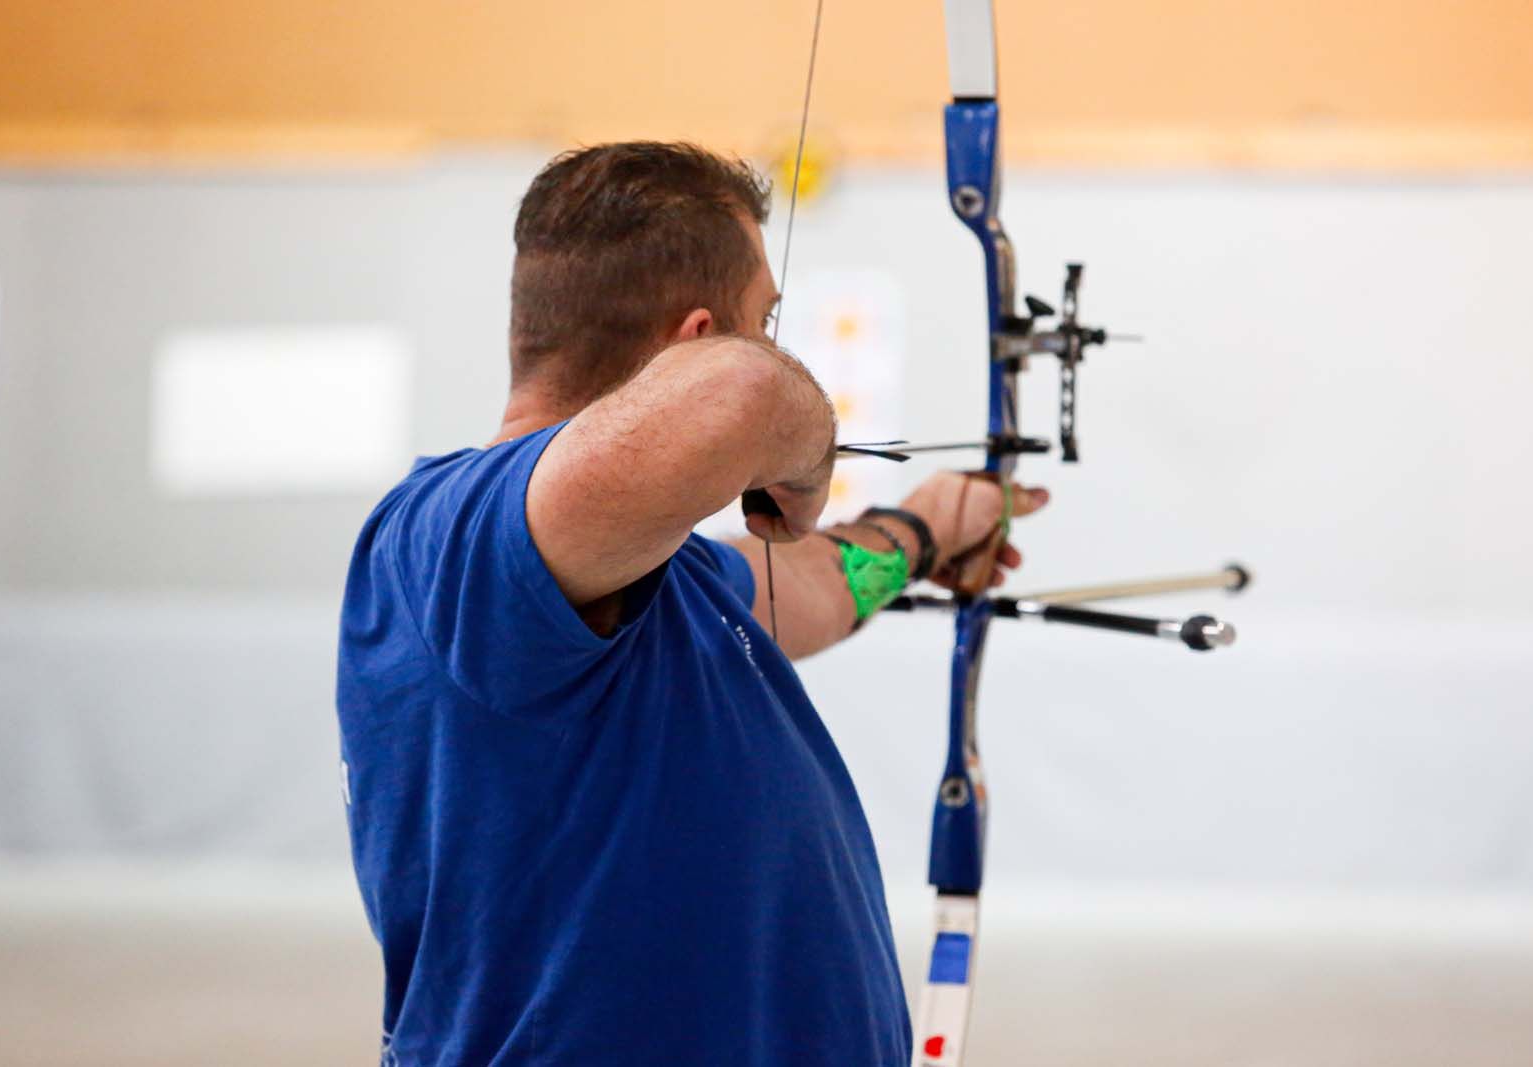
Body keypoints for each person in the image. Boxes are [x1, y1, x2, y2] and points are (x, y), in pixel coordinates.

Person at [336, 141, 1048, 1066]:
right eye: (766, 318)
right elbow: (746, 392)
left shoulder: (659, 576)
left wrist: (924, 529)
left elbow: (819, 587)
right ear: (698, 338)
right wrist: (797, 455)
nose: (772, 345)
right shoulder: (456, 538)